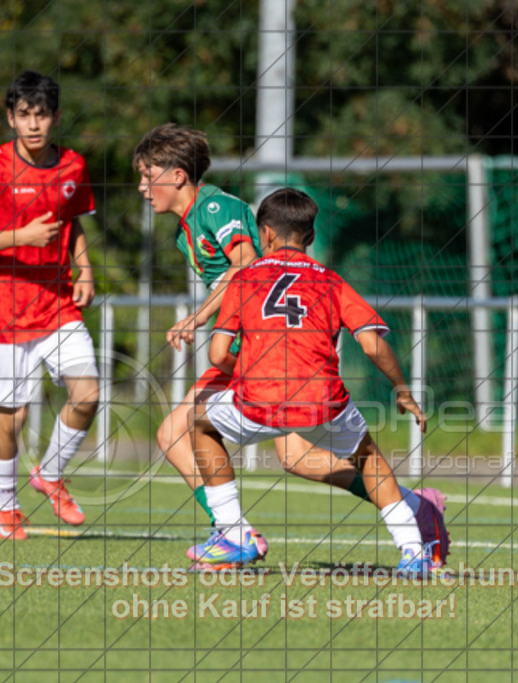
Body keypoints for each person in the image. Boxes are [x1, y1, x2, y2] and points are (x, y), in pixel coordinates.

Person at [133, 124, 449, 567]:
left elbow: (245, 265)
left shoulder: (215, 207)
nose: (142, 187)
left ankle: (233, 532)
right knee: (298, 458)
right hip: (278, 352)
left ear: (178, 175)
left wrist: (198, 317)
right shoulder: (186, 229)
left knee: (176, 433)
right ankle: (416, 509)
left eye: (148, 175)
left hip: (256, 348)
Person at [187, 188, 441, 576]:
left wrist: (255, 368)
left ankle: (234, 532)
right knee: (369, 459)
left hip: (258, 402)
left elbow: (218, 354)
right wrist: (401, 389)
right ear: (310, 235)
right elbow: (373, 344)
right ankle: (413, 552)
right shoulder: (331, 281)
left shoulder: (244, 280)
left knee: (199, 423)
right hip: (324, 401)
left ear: (266, 234)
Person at [0, 70, 99, 540]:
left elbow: (71, 221)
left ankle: (51, 475)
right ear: (10, 118)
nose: (33, 125)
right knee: (11, 418)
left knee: (88, 394)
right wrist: (23, 236)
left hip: (57, 307)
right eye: (24, 115)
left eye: (41, 115)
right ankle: (6, 508)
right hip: (4, 314)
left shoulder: (73, 166)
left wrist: (86, 270)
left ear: (54, 117)